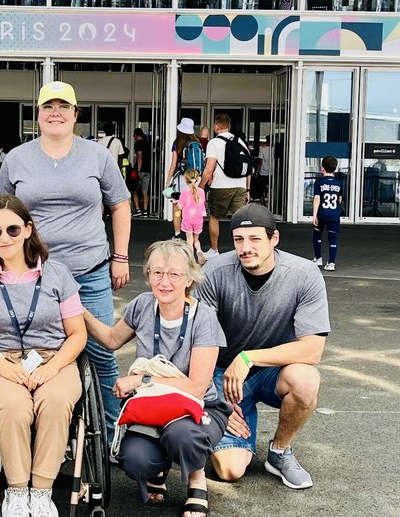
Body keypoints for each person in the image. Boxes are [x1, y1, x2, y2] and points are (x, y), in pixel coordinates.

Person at [0, 80, 132, 443]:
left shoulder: (98, 155)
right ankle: (33, 426)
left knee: (102, 352)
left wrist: (120, 257)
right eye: (48, 107)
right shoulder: (17, 158)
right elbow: (0, 213)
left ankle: (113, 433)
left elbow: (120, 205)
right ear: (38, 114)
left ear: (75, 114)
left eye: (63, 107)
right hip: (32, 274)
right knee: (31, 349)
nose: (56, 113)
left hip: (88, 270)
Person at [0, 194, 87, 517]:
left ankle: (41, 491)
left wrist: (53, 366)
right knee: (14, 407)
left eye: (13, 230)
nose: (4, 238)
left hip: (54, 356)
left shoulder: (57, 274)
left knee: (56, 402)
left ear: (28, 230)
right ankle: (16, 491)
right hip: (1, 359)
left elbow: (78, 334)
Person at [84, 239, 230, 517]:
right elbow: (112, 340)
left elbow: (197, 387)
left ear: (189, 279)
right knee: (135, 460)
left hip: (198, 408)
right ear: (148, 275)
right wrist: (76, 310)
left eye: (174, 274)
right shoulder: (142, 305)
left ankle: (196, 480)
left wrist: (142, 380)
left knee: (182, 436)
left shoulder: (204, 318)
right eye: (157, 272)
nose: (165, 282)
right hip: (153, 410)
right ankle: (159, 469)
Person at [196, 203, 330, 490]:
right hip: (221, 372)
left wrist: (248, 358)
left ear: (274, 239)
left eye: (255, 239)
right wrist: (211, 401)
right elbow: (195, 341)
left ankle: (279, 452)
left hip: (270, 370)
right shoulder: (214, 272)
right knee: (229, 470)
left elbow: (312, 350)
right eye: (239, 240)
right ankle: (216, 431)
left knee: (306, 380)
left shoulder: (304, 274)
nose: (246, 247)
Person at [200, 114, 251, 258]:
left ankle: (214, 250)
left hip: (220, 186)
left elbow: (209, 169)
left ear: (216, 127)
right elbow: (248, 169)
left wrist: (200, 186)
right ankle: (241, 251)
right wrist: (247, 189)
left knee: (214, 217)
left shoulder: (214, 143)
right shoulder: (241, 141)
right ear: (229, 126)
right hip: (240, 186)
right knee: (239, 220)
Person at [163, 118, 203, 238]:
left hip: (181, 178)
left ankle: (177, 233)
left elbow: (174, 163)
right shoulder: (197, 143)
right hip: (195, 178)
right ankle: (192, 233)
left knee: (177, 205)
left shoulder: (178, 143)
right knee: (193, 204)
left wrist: (168, 179)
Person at [312, 156, 343, 272]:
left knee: (317, 235)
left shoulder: (319, 182)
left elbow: (317, 199)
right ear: (335, 168)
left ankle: (318, 258)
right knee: (333, 238)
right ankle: (331, 263)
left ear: (322, 168)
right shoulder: (338, 183)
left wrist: (314, 215)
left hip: (322, 213)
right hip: (334, 214)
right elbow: (339, 199)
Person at [178, 169, 207, 264]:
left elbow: (180, 206)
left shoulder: (185, 192)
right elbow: (202, 203)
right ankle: (199, 251)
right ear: (198, 179)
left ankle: (190, 258)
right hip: (199, 219)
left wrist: (175, 203)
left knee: (189, 240)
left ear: (185, 180)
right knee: (196, 240)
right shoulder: (202, 192)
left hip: (188, 219)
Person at [132, 127, 152, 217]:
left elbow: (139, 156)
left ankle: (137, 209)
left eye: (134, 136)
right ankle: (145, 210)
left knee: (134, 189)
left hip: (140, 170)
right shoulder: (147, 144)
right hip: (148, 170)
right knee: (145, 191)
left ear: (136, 135)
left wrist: (138, 170)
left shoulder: (138, 144)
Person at [251, 135, 273, 203]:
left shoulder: (263, 149)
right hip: (272, 172)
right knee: (271, 188)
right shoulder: (275, 149)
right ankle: (272, 201)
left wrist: (256, 172)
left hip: (263, 172)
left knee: (261, 188)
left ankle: (262, 201)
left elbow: (260, 162)